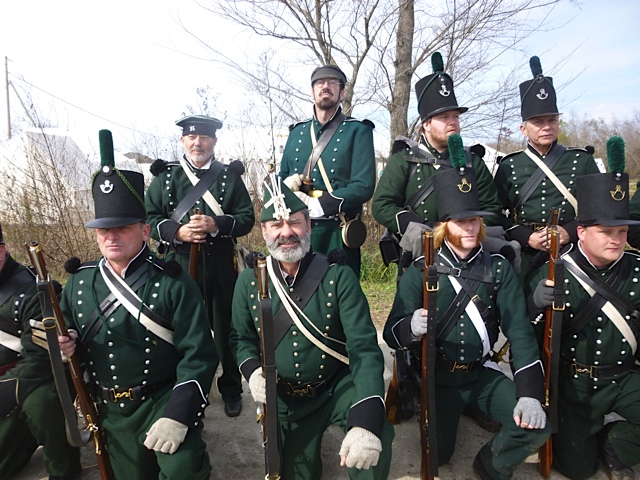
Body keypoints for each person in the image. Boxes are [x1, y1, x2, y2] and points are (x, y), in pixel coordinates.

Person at [383, 157, 550, 480]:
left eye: (475, 220)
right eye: (462, 222)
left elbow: (519, 330)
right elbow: (392, 332)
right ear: (445, 224)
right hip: (438, 378)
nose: (471, 228)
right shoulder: (420, 270)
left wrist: (529, 391)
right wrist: (412, 328)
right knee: (438, 456)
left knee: (537, 427)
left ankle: (489, 465)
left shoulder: (498, 267)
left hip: (481, 374)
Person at [58, 138, 216, 480]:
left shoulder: (174, 283)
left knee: (184, 469)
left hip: (162, 399)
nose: (111, 237)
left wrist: (179, 413)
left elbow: (200, 356)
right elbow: (65, 336)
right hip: (109, 411)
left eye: (122, 228)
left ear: (145, 232)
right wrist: (65, 342)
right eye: (104, 230)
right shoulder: (78, 283)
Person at [230, 175, 394, 480]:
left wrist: (367, 415)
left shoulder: (338, 276)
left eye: (295, 222)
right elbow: (240, 339)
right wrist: (252, 371)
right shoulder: (248, 280)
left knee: (375, 432)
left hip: (335, 387)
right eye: (276, 225)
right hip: (285, 396)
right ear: (264, 232)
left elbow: (364, 348)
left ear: (309, 225)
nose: (287, 232)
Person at [528, 137, 640, 480]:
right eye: (606, 231)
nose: (616, 240)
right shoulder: (555, 270)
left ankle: (615, 444)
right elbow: (529, 337)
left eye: (622, 232)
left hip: (623, 376)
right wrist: (536, 304)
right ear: (581, 232)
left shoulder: (635, 268)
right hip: (576, 384)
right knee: (577, 470)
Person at [146, 115, 255, 417]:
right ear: (183, 141)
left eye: (204, 138)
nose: (198, 143)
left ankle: (231, 388)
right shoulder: (165, 177)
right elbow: (151, 218)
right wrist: (177, 232)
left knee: (226, 329)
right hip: (177, 265)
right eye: (192, 138)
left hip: (221, 263)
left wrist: (216, 224)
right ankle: (185, 390)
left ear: (214, 142)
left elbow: (246, 218)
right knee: (182, 330)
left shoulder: (228, 177)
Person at [372, 52, 511, 268]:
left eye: (455, 116)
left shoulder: (472, 160)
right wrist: (426, 227)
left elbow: (492, 208)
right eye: (444, 117)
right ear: (426, 124)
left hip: (467, 257)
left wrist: (462, 229)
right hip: (419, 254)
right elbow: (381, 206)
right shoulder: (404, 160)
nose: (453, 122)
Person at [494, 56, 600, 285]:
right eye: (538, 122)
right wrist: (526, 236)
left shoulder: (581, 160)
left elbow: (599, 209)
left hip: (573, 249)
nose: (546, 127)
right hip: (526, 253)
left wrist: (569, 231)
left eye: (551, 120)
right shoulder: (509, 165)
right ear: (523, 129)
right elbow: (495, 214)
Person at [0, 224, 81, 480]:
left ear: (1, 251)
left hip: (35, 381)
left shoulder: (32, 291)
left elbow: (41, 359)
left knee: (43, 401)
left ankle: (63, 469)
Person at [279, 64, 376, 277]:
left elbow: (364, 185)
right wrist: (285, 188)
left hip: (336, 232)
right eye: (320, 83)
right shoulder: (297, 132)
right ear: (312, 92)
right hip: (297, 232)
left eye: (333, 83)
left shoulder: (358, 130)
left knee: (338, 298)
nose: (326, 87)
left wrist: (321, 204)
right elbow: (281, 179)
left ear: (341, 93)